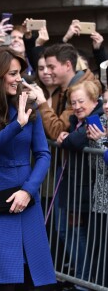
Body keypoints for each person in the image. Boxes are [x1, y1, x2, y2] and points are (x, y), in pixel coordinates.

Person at [0, 45, 56, 291]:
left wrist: (28, 191)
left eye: (19, 73)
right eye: (13, 74)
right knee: (4, 281)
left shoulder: (30, 106)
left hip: (27, 197)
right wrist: (16, 125)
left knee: (35, 280)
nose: (19, 79)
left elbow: (43, 154)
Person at [56, 80, 103, 290]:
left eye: (81, 101)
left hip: (89, 190)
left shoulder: (96, 119)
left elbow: (74, 142)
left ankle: (84, 281)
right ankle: (81, 279)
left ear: (94, 100)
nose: (76, 106)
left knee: (81, 235)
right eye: (73, 102)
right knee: (68, 231)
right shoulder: (78, 120)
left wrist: (66, 138)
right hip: (77, 187)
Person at [86, 88, 108, 287]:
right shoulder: (103, 123)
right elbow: (97, 166)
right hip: (100, 199)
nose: (106, 107)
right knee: (99, 251)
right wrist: (95, 141)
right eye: (105, 101)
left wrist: (101, 141)